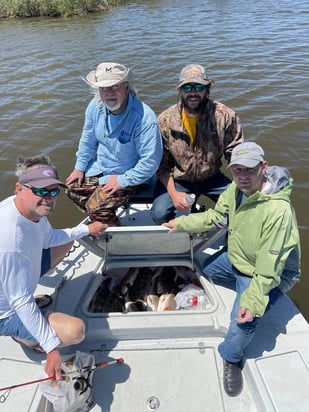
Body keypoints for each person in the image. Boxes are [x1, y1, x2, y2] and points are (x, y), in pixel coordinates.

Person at [163, 142, 301, 397]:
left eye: (249, 169)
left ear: (264, 168)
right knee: (207, 270)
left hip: (265, 271)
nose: (242, 176)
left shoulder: (277, 211)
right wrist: (182, 223)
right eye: (237, 170)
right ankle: (254, 296)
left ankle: (231, 357)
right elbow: (215, 217)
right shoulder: (234, 190)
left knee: (244, 322)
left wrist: (252, 299)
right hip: (239, 258)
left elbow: (268, 268)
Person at [0, 155, 106, 381]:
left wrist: (86, 230)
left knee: (67, 240)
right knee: (75, 331)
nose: (48, 199)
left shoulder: (29, 210)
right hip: (7, 312)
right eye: (40, 191)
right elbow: (19, 300)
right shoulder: (10, 239)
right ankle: (27, 337)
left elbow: (48, 238)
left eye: (53, 191)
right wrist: (51, 349)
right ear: (20, 188)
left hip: (16, 280)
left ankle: (35, 312)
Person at [66, 62, 163, 225]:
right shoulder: (94, 106)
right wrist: (79, 168)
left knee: (97, 207)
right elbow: (87, 139)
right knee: (71, 189)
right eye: (103, 88)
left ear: (127, 86)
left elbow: (150, 163)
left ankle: (116, 235)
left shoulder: (145, 119)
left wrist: (122, 181)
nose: (109, 93)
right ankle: (102, 216)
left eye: (115, 86)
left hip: (131, 175)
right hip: (101, 168)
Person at [151, 63, 244, 225]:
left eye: (198, 87)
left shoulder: (226, 116)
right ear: (180, 90)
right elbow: (162, 165)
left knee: (242, 205)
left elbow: (236, 155)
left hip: (212, 178)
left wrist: (243, 182)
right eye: (187, 88)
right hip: (180, 180)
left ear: (207, 89)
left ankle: (231, 238)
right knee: (159, 214)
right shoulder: (164, 120)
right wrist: (174, 195)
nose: (193, 93)